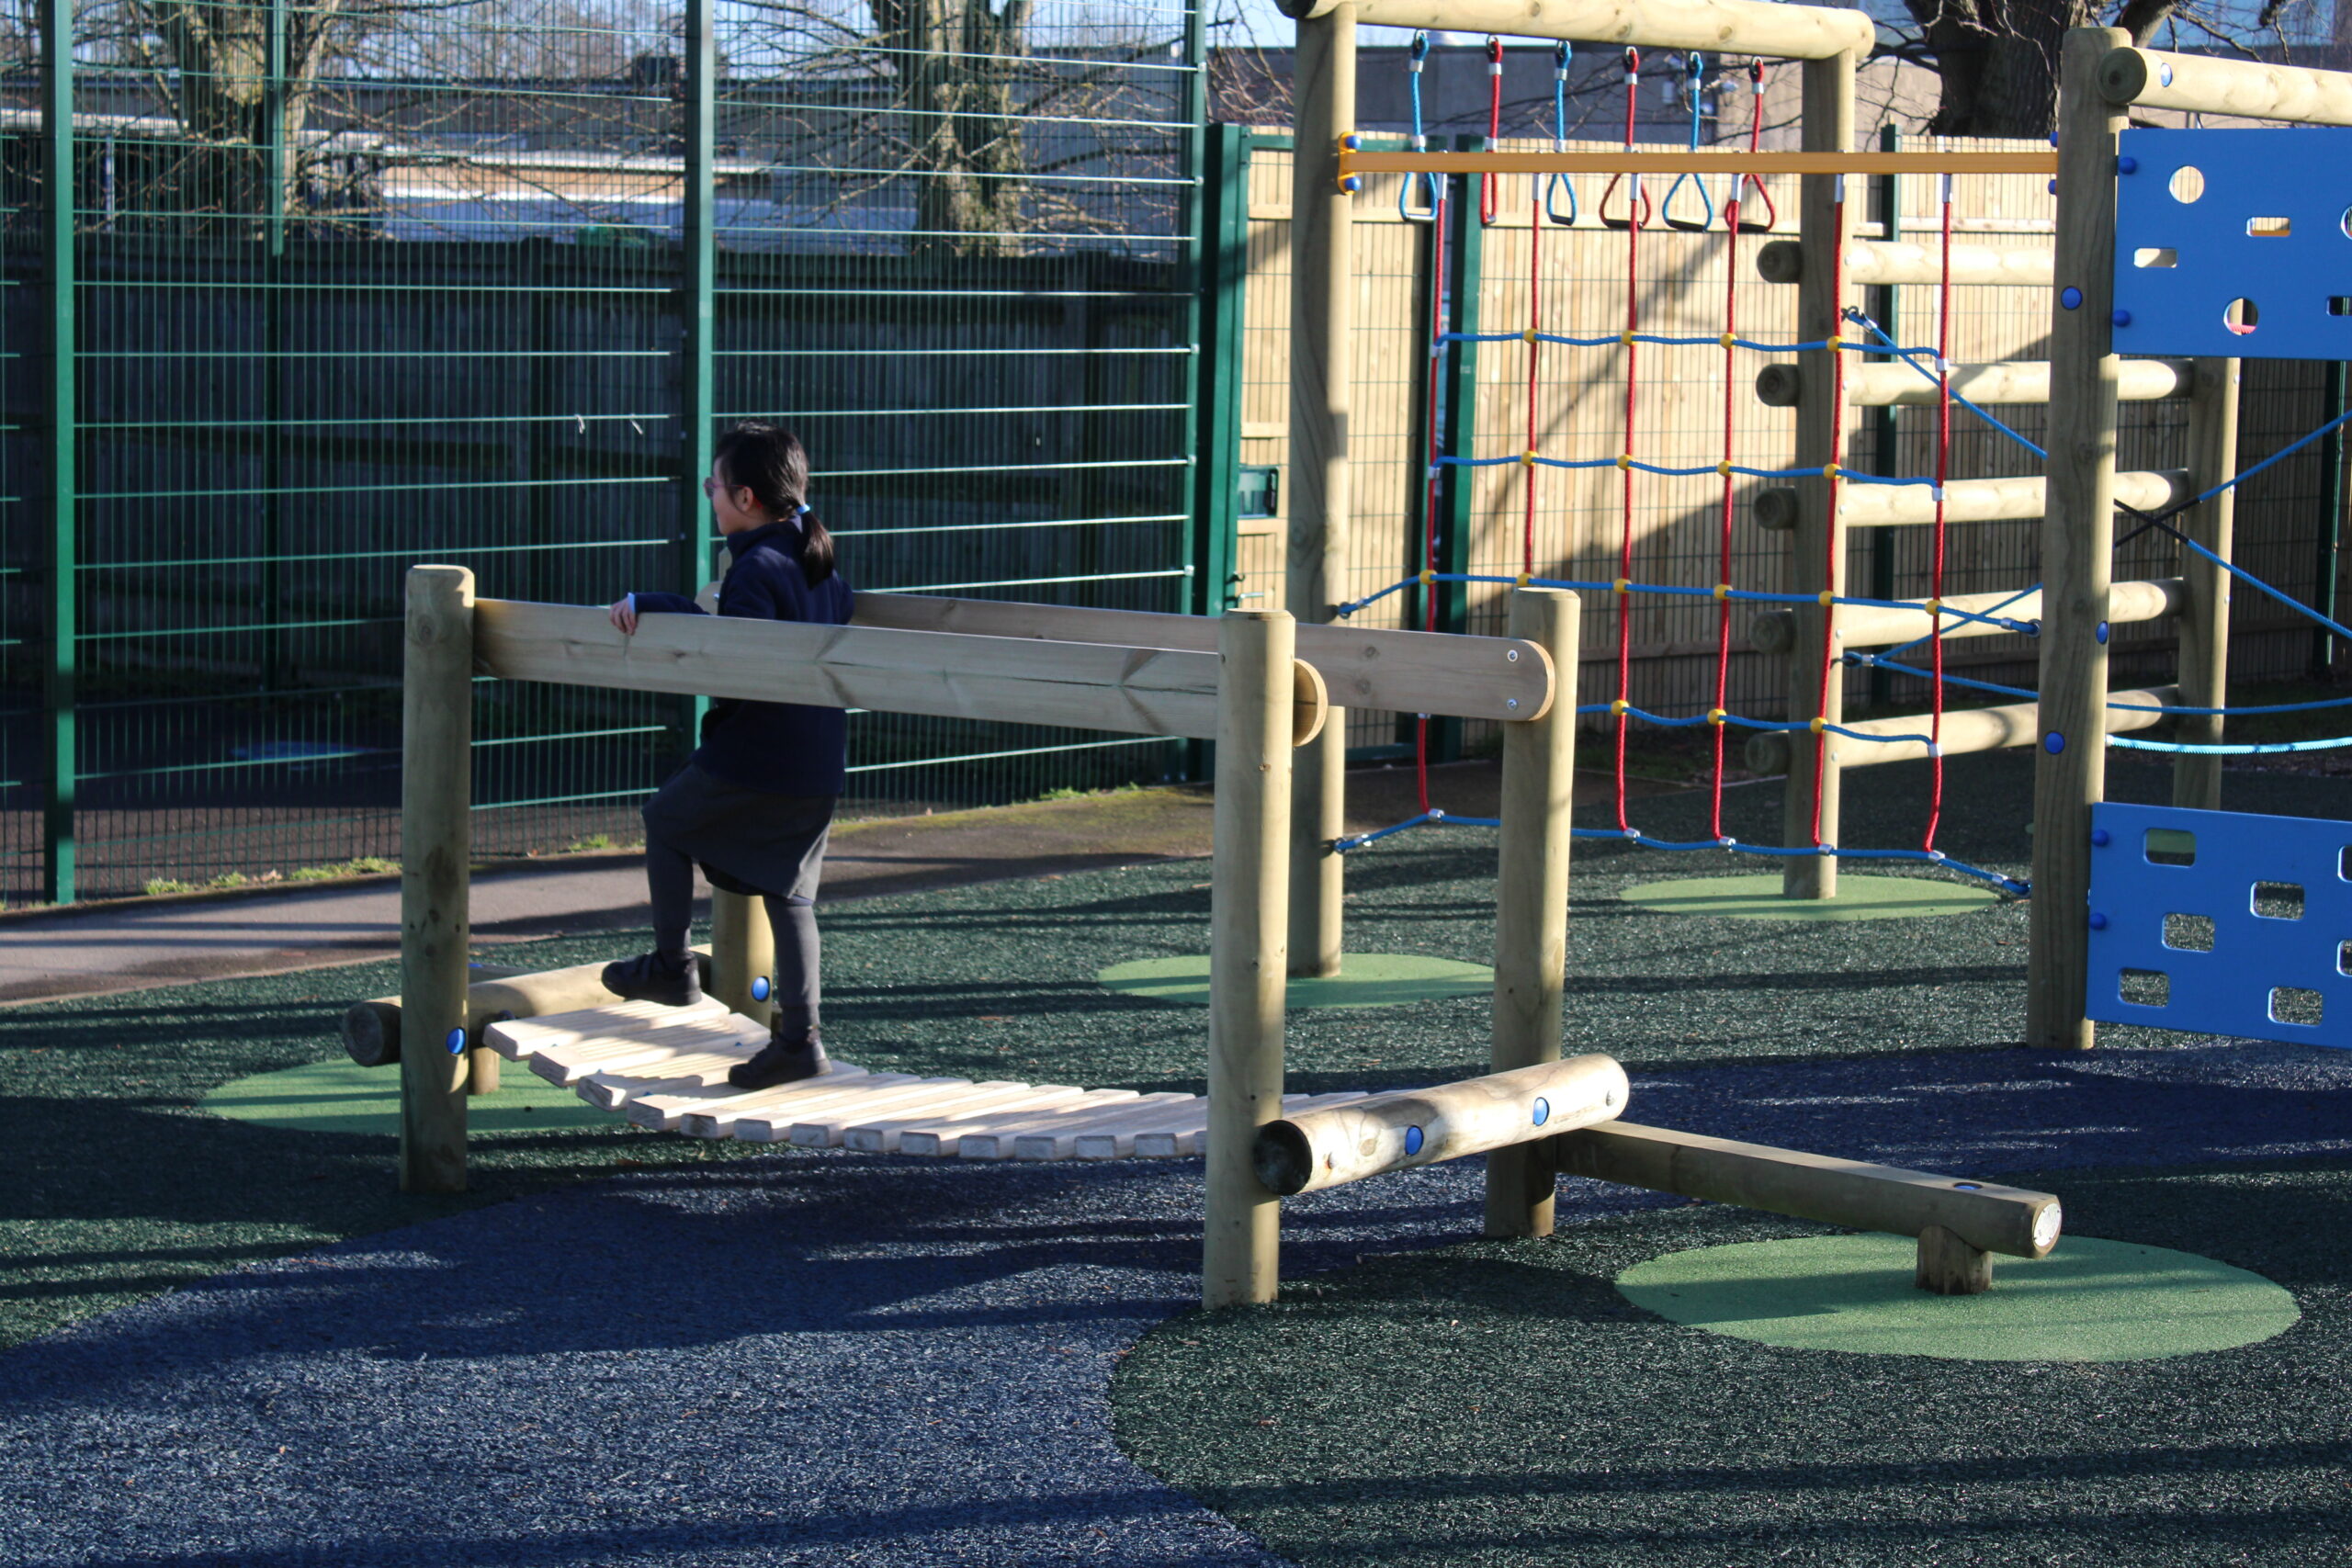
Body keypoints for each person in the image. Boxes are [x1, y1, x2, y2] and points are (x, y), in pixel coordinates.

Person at [601, 423, 853, 1090]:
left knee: (664, 819)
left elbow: (729, 658)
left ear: (743, 497)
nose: (709, 494)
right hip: (818, 761)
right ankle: (800, 1040)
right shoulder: (817, 562)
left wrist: (652, 608)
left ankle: (672, 965)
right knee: (789, 895)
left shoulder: (758, 566)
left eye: (714, 485)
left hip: (758, 755)